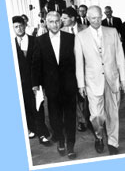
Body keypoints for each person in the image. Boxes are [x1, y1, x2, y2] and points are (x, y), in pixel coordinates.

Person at [75, 6, 125, 155]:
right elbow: (79, 63)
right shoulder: (80, 36)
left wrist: (124, 79)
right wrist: (81, 84)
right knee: (97, 115)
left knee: (113, 113)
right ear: (88, 18)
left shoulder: (112, 32)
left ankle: (113, 142)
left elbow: (120, 56)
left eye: (98, 17)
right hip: (92, 82)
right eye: (93, 18)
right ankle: (99, 137)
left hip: (112, 79)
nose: (96, 21)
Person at [31, 11, 78, 159]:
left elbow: (77, 62)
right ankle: (60, 141)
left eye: (57, 21)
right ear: (46, 23)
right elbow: (36, 64)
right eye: (51, 21)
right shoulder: (40, 41)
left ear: (61, 22)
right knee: (54, 117)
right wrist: (35, 84)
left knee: (70, 116)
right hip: (51, 86)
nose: (55, 24)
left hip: (69, 85)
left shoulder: (71, 38)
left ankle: (70, 144)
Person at [12, 16, 50, 146]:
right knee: (26, 107)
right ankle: (32, 129)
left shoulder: (35, 41)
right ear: (13, 28)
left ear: (25, 25)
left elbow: (41, 63)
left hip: (35, 81)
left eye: (21, 25)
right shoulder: (11, 43)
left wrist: (39, 82)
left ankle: (42, 133)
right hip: (21, 83)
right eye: (16, 26)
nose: (19, 28)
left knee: (38, 107)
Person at [60, 7, 88, 132]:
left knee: (85, 96)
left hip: (86, 68)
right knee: (73, 96)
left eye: (65, 18)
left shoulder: (86, 29)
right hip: (69, 70)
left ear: (73, 18)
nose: (62, 20)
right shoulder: (61, 31)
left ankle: (88, 116)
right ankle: (81, 120)